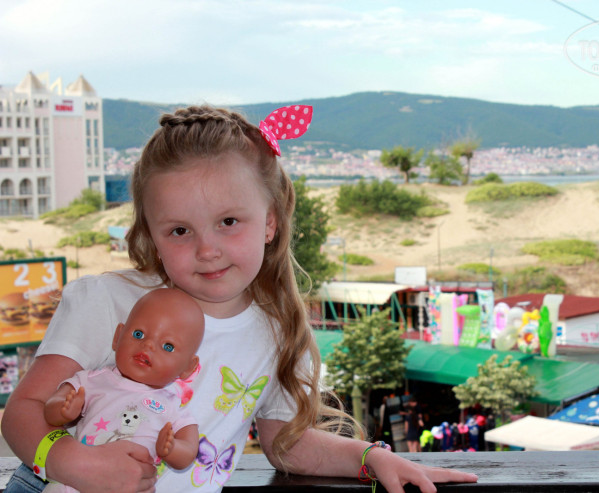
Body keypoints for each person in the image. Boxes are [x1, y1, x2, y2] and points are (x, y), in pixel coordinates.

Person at [1, 104, 478, 493]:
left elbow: (288, 446)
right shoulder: (108, 300)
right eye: (180, 230)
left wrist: (370, 457)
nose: (207, 250)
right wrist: (72, 462)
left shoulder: (276, 331)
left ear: (270, 222)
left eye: (228, 222)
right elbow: (23, 411)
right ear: (152, 234)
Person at [42, 288, 205, 491]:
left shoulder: (172, 406)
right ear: (118, 337)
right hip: (77, 482)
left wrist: (172, 448)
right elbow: (50, 409)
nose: (148, 345)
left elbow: (188, 452)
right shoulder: (93, 380)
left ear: (188, 367)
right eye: (139, 334)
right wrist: (63, 409)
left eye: (168, 346)